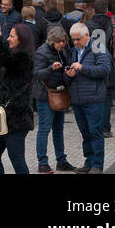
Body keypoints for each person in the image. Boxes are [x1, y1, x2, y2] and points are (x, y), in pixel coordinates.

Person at [0, 21, 35, 175]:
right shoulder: (12, 55)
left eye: (12, 36)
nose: (8, 39)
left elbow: (5, 60)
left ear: (22, 39)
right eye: (8, 36)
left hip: (17, 118)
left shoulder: (25, 58)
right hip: (2, 116)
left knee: (17, 159)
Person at [65, 22, 112, 174]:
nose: (75, 42)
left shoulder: (98, 47)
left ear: (87, 36)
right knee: (85, 133)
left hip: (94, 98)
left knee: (95, 131)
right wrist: (68, 74)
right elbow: (70, 74)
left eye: (78, 39)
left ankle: (97, 165)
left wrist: (82, 68)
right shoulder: (73, 51)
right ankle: (88, 162)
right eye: (73, 40)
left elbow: (105, 69)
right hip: (78, 99)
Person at [33, 25, 77, 173]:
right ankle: (42, 162)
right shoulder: (41, 52)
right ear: (53, 40)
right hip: (45, 95)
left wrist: (67, 73)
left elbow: (63, 70)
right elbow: (38, 74)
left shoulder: (62, 51)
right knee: (44, 128)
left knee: (59, 129)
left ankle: (61, 161)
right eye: (60, 42)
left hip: (59, 93)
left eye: (64, 41)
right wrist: (51, 68)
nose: (62, 44)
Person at [86, 0, 115, 138]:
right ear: (107, 9)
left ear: (94, 9)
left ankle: (94, 127)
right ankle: (105, 128)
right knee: (108, 98)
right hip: (111, 65)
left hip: (92, 65)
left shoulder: (88, 24)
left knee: (93, 97)